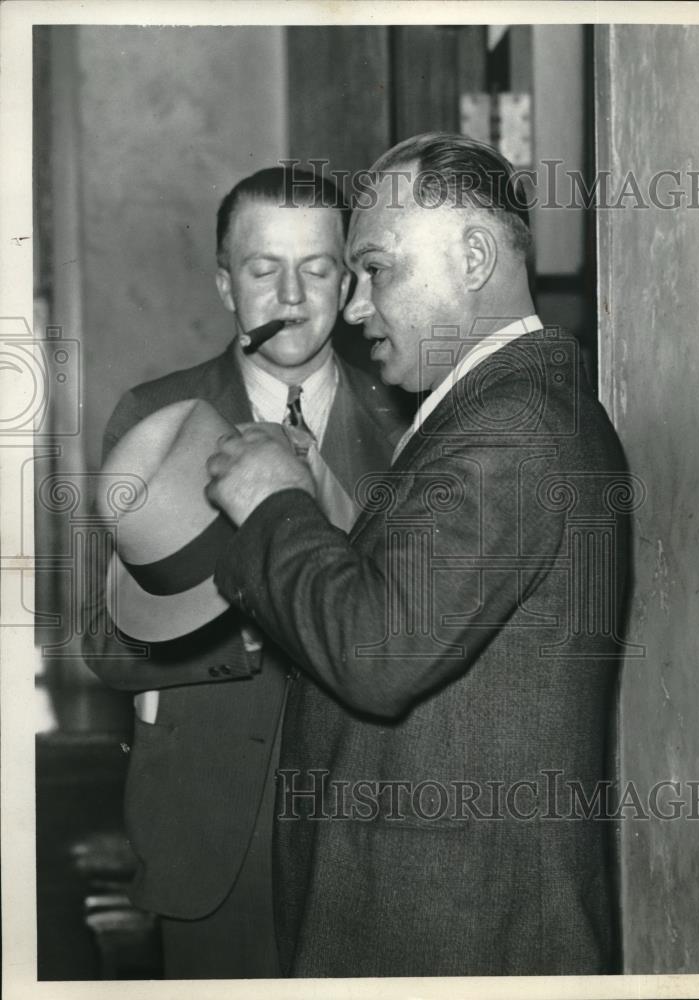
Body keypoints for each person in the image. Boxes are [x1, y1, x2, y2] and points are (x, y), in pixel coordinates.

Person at [207, 134, 632, 977]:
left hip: (459, 929)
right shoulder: (487, 409)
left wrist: (273, 500)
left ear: (474, 255)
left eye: (377, 269)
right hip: (436, 916)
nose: (356, 307)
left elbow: (376, 652)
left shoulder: (514, 427)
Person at [81, 165, 408, 979]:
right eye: (264, 270)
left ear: (351, 281)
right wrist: (253, 633)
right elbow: (103, 644)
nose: (292, 297)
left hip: (373, 823)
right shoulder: (155, 418)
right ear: (226, 285)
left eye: (319, 268)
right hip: (211, 833)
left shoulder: (410, 416)